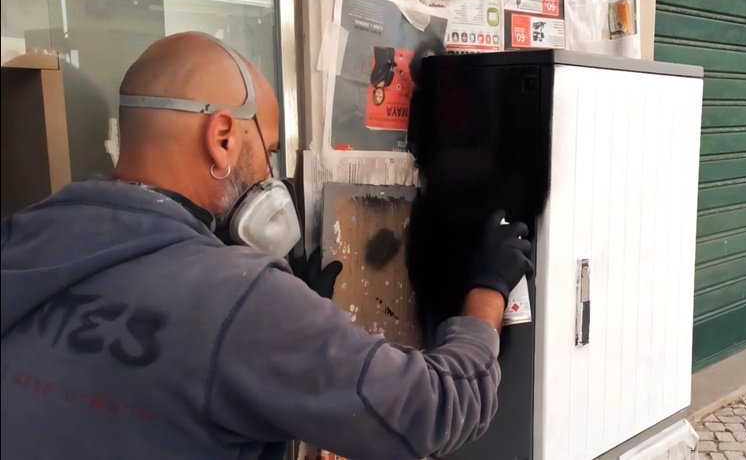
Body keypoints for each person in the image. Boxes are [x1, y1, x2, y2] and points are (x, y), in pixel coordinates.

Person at [0, 32, 534, 459]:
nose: (270, 175)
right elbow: (439, 409)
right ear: (224, 137)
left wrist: (289, 328)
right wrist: (486, 290)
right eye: (269, 150)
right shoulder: (234, 296)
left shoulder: (24, 237)